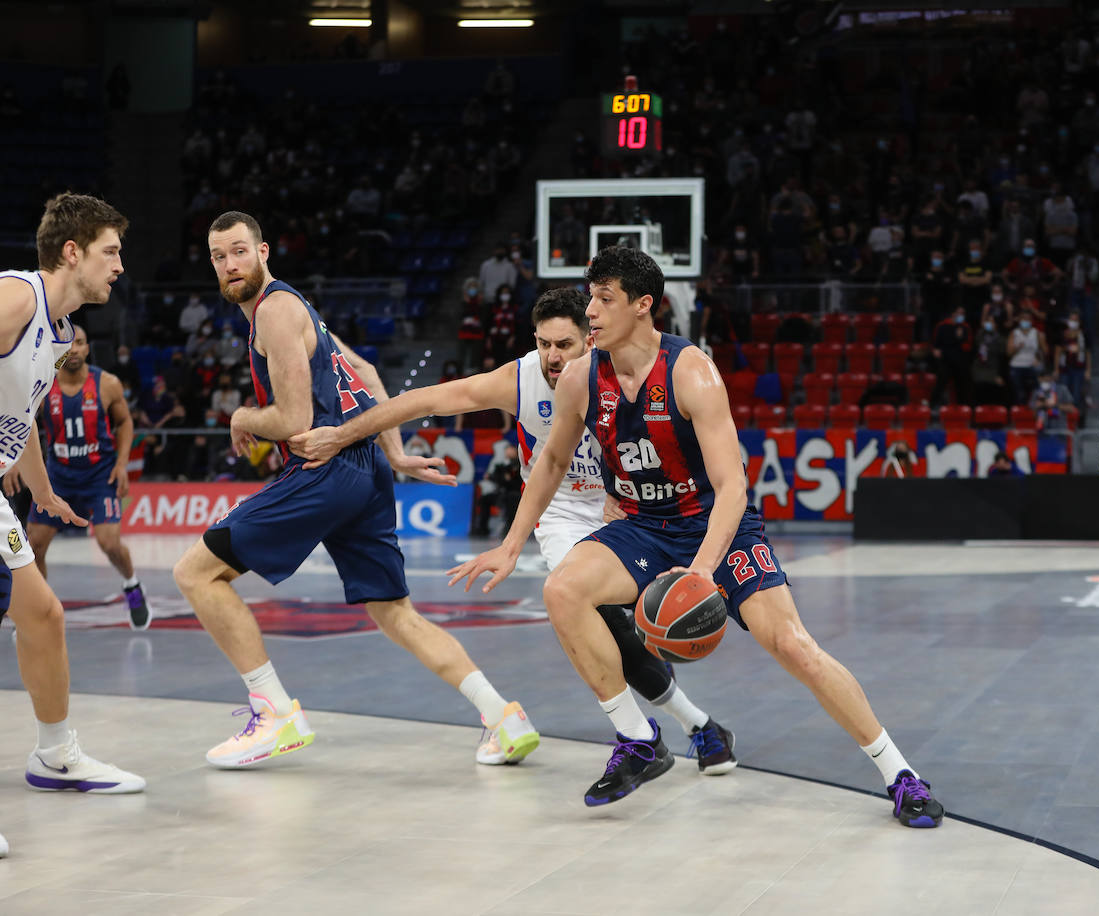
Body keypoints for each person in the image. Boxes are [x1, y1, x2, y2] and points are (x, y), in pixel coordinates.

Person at [449, 247, 942, 827]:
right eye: (590, 298)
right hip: (642, 526)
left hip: (715, 526)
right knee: (563, 591)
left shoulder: (691, 371)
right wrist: (510, 544)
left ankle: (900, 775)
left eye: (604, 300)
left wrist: (702, 570)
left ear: (643, 306)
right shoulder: (583, 376)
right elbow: (552, 461)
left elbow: (734, 486)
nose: (593, 312)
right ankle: (637, 738)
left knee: (792, 646)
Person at [288, 286, 740, 773]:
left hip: (632, 507)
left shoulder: (623, 372)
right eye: (543, 343)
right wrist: (343, 434)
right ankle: (684, 729)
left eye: (563, 345)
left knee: (651, 623)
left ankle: (693, 725)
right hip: (561, 508)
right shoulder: (520, 380)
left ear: (591, 341)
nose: (551, 356)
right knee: (601, 619)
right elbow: (427, 400)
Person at [172, 211, 540, 770]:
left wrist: (243, 415)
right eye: (219, 256)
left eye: (239, 251)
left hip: (328, 468)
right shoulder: (302, 310)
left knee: (195, 573)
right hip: (366, 466)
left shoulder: (273, 310)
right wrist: (392, 453)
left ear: (264, 251)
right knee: (395, 613)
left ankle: (274, 714)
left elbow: (294, 418)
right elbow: (365, 371)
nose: (229, 265)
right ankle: (502, 716)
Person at [0, 193, 147, 858]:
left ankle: (56, 754)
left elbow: (20, 411)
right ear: (72, 251)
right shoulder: (18, 299)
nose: (119, 265)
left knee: (43, 616)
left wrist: (43, 488)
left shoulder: (59, 335)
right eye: (110, 251)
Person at [13, 325, 147, 628]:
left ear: (88, 349)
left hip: (100, 477)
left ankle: (132, 585)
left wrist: (122, 463)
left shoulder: (107, 383)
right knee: (35, 545)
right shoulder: (44, 383)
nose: (73, 349)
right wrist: (14, 465)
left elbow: (125, 422)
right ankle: (41, 612)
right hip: (58, 477)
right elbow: (21, 423)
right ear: (58, 346)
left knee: (109, 543)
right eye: (68, 343)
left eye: (81, 343)